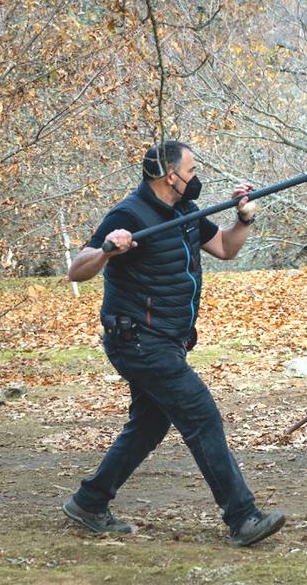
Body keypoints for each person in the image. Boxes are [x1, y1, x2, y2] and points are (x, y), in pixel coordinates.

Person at [62, 141, 285, 547]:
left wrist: (244, 219)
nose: (196, 177)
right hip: (137, 341)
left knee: (149, 424)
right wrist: (110, 249)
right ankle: (242, 516)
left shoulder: (184, 211)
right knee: (202, 416)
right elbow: (77, 270)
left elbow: (225, 249)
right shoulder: (129, 214)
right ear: (171, 176)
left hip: (168, 340)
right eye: (192, 169)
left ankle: (89, 501)